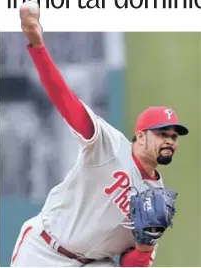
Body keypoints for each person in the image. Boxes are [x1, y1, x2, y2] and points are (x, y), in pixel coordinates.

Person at [11, 1, 189, 267]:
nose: (169, 140)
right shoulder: (107, 143)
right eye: (162, 133)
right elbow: (65, 100)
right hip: (44, 249)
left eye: (174, 136)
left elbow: (131, 264)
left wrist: (143, 247)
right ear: (140, 136)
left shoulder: (156, 199)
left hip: (93, 263)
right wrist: (37, 47)